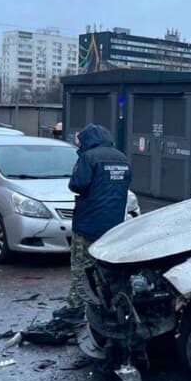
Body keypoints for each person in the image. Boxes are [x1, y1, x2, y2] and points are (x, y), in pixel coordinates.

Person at [53, 124, 132, 322]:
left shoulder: (88, 158)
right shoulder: (122, 158)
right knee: (105, 267)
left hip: (88, 222)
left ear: (89, 140)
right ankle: (105, 305)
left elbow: (77, 184)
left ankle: (75, 307)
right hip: (113, 224)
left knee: (81, 266)